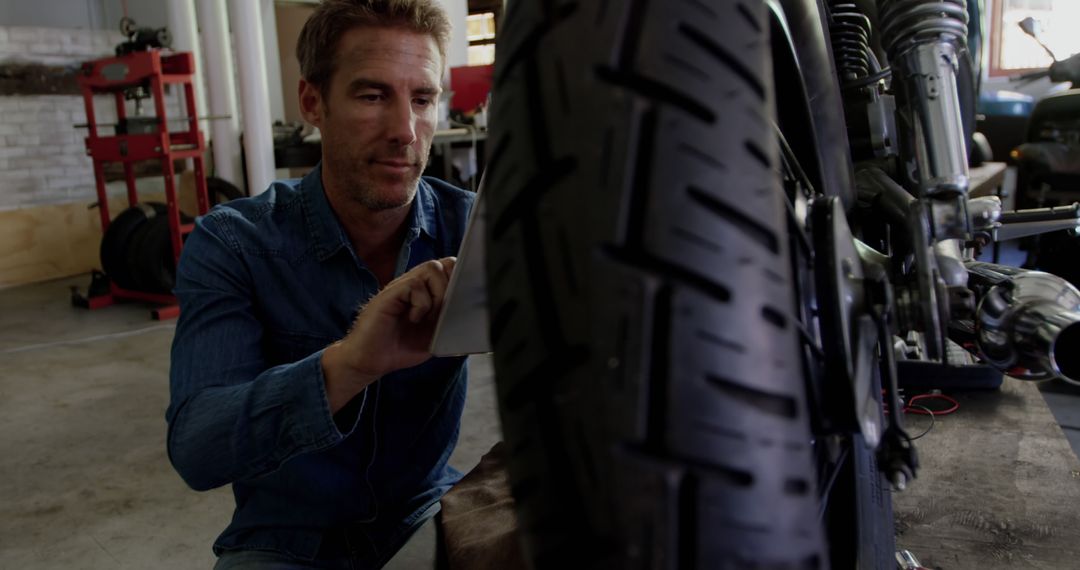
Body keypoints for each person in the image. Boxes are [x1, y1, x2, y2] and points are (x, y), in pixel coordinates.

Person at [165, 1, 475, 567]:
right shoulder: (234, 244)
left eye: (423, 99)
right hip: (285, 540)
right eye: (372, 95)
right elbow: (197, 448)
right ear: (313, 102)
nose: (405, 131)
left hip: (426, 517)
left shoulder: (472, 231)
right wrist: (350, 364)